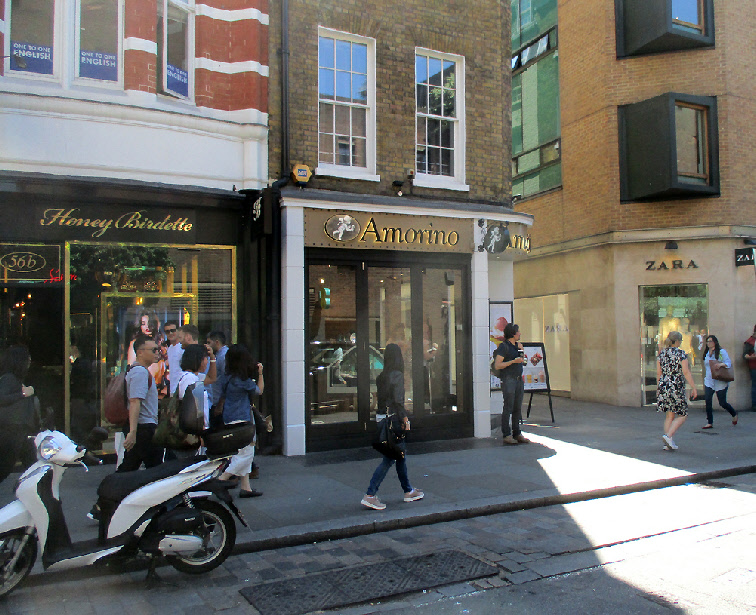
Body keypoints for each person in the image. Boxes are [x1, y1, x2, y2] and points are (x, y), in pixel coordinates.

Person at [361, 343, 423, 510]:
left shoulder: (382, 376)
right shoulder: (396, 375)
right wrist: (404, 418)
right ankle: (370, 494)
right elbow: (397, 400)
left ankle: (408, 490)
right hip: (393, 419)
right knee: (390, 458)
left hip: (382, 417)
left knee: (399, 455)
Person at [217, 344, 264, 498]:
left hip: (229, 417)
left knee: (240, 451)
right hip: (243, 418)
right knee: (247, 454)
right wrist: (260, 374)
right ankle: (221, 480)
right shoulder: (243, 380)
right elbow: (259, 390)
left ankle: (246, 487)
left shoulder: (227, 377)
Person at [118, 334, 165, 472]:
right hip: (143, 428)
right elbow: (134, 402)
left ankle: (115, 490)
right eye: (154, 350)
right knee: (136, 467)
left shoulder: (141, 371)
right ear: (140, 352)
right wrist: (133, 432)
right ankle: (112, 490)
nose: (158, 353)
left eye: (158, 349)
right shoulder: (139, 372)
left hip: (144, 427)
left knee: (138, 466)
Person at [0, 345, 36, 483]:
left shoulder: (12, 379)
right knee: (5, 467)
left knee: (30, 465)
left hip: (17, 432)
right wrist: (23, 393)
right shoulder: (9, 379)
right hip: (10, 432)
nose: (29, 360)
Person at [657, 331, 697, 451]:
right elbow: (685, 371)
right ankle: (668, 436)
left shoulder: (662, 354)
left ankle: (668, 442)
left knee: (669, 414)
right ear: (678, 341)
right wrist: (693, 387)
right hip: (676, 385)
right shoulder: (681, 353)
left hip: (664, 385)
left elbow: (659, 373)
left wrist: (659, 388)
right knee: (683, 414)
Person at [493, 323, 530, 445]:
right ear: (513, 334)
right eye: (518, 332)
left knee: (517, 407)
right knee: (508, 406)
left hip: (519, 379)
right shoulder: (504, 347)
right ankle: (506, 434)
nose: (520, 333)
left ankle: (517, 432)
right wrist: (513, 361)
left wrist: (522, 353)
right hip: (509, 379)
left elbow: (522, 362)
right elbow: (498, 365)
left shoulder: (518, 346)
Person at [175, 344, 215, 457]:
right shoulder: (191, 379)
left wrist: (212, 358)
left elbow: (212, 378)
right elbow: (197, 408)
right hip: (193, 433)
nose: (206, 362)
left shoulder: (190, 377)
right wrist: (200, 434)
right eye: (205, 358)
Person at [701, 334, 738, 429]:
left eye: (711, 341)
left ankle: (733, 413)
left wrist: (721, 364)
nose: (709, 343)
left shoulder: (721, 352)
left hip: (719, 379)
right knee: (708, 400)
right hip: (709, 380)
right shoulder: (706, 352)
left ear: (715, 342)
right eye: (708, 341)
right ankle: (709, 422)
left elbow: (728, 363)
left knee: (722, 403)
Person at [164, 321, 183, 395]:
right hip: (172, 389)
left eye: (173, 330)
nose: (170, 333)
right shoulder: (170, 349)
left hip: (182, 388)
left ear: (178, 331)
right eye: (167, 331)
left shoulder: (183, 347)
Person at [744, 324, 756, 412]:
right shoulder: (750, 341)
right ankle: (754, 405)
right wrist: (750, 356)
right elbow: (745, 355)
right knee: (755, 385)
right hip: (754, 366)